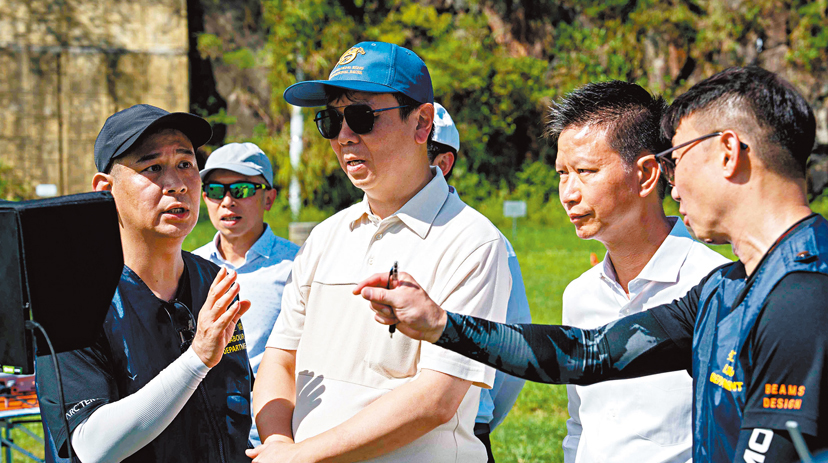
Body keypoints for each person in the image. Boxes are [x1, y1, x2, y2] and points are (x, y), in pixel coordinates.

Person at [355, 66, 828, 463]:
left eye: (676, 156)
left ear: (729, 153)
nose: (671, 176)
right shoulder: (731, 287)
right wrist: (441, 325)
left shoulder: (805, 297)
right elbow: (589, 354)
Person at [250, 42, 510, 463]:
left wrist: (302, 455)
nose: (344, 136)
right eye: (331, 120)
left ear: (422, 123)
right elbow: (279, 361)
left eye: (361, 116)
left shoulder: (472, 242)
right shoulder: (325, 236)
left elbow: (437, 398)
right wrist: (279, 442)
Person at [36, 104, 254, 462]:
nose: (177, 185)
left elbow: (235, 397)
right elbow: (92, 446)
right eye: (153, 168)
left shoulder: (211, 281)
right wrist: (197, 358)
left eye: (186, 164)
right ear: (105, 189)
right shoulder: (72, 301)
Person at [544, 82, 728, 463]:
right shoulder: (579, 296)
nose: (568, 193)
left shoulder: (717, 286)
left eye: (585, 171)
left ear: (646, 174)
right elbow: (580, 424)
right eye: (562, 173)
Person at [429, 102, 533, 462]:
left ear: (443, 164)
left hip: (461, 435)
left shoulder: (483, 240)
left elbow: (513, 352)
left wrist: (479, 418)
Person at [193, 142, 300, 446]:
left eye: (241, 190)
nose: (227, 201)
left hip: (274, 438)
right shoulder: (189, 266)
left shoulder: (297, 266)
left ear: (269, 198)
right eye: (215, 190)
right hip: (204, 436)